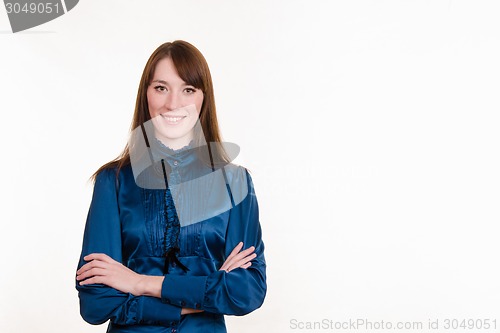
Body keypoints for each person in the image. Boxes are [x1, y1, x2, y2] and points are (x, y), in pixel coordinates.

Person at [75, 40, 267, 333]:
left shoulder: (235, 183)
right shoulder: (112, 181)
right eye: (161, 88)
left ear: (204, 98)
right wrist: (208, 291)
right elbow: (96, 303)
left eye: (188, 90)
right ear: (146, 94)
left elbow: (247, 292)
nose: (174, 104)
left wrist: (140, 283)